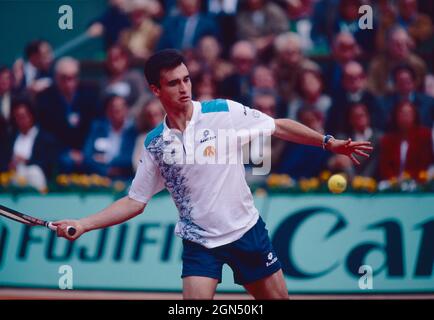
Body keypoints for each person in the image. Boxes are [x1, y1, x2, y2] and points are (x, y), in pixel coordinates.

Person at [54, 49, 372, 299]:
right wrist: (83, 224)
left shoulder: (222, 112)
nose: (183, 88)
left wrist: (328, 142)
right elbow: (135, 202)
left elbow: (278, 126)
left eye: (186, 79)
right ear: (155, 89)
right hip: (200, 243)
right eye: (173, 83)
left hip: (246, 232)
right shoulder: (155, 145)